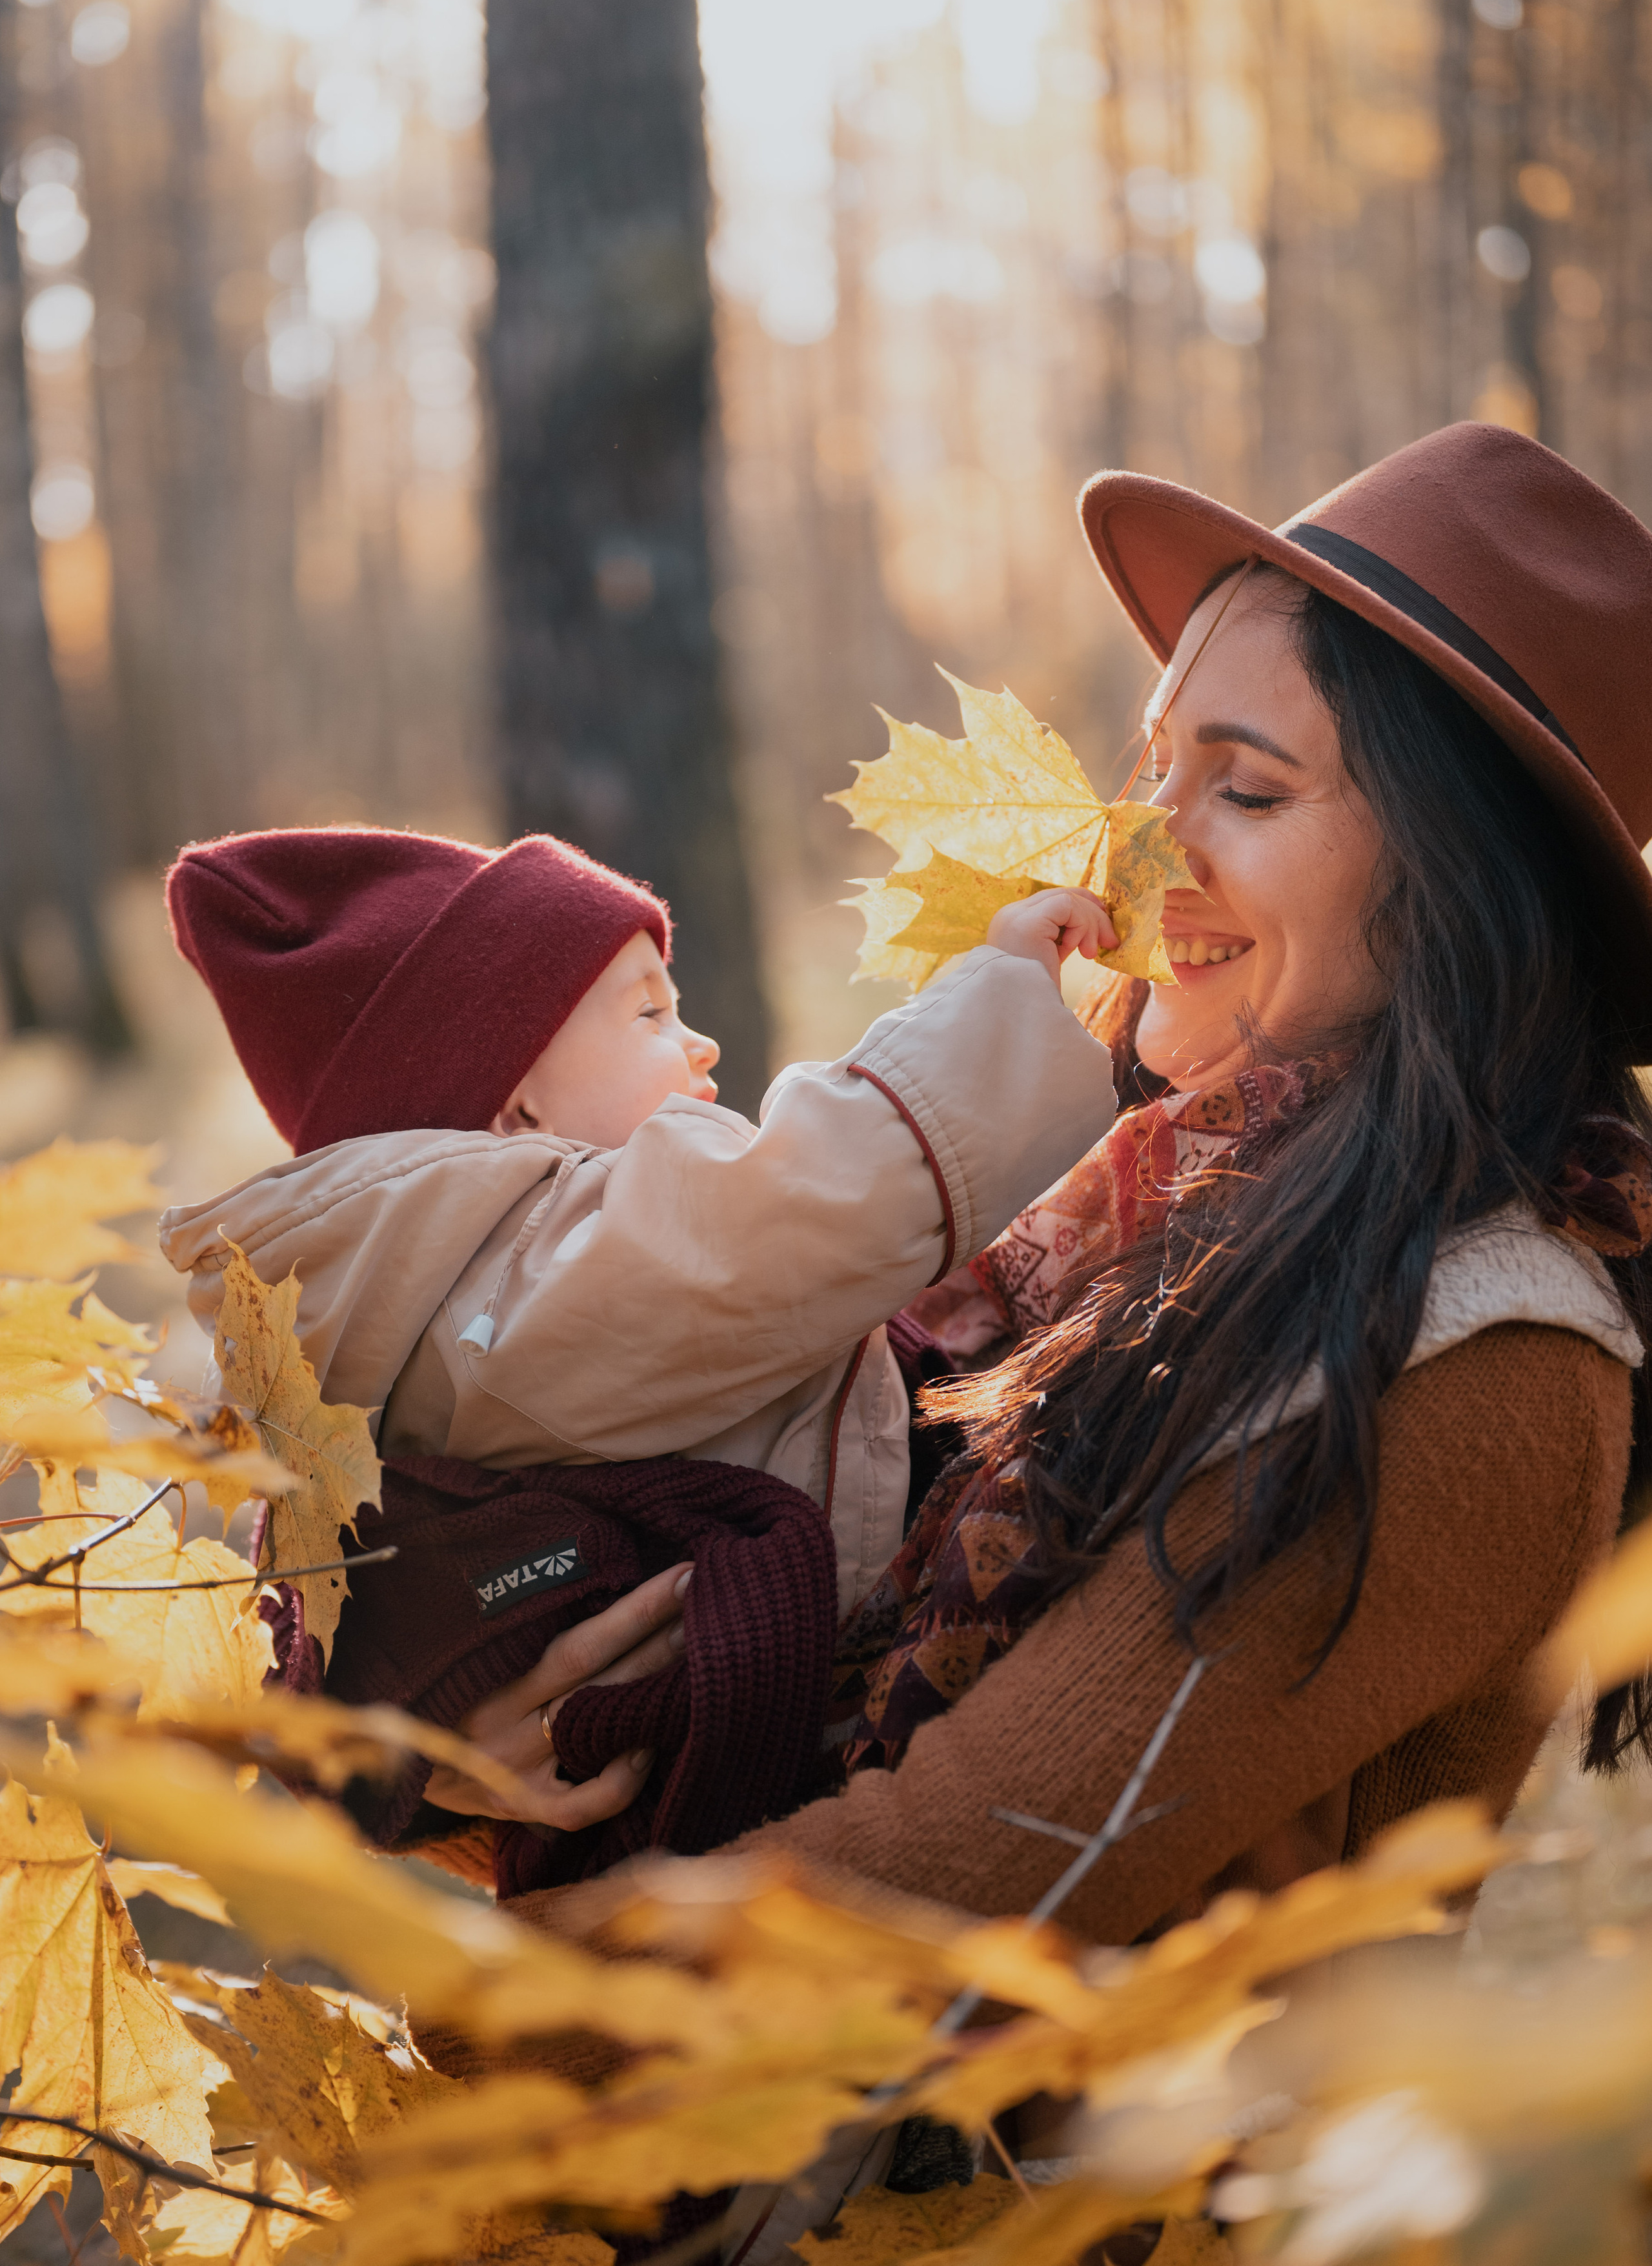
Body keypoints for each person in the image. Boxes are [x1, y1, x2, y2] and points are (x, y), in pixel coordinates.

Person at [438, 421, 1652, 1956]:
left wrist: (480, 1992)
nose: (1144, 846)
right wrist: (475, 1758)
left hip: (1029, 2186)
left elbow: (960, 1869)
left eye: (1249, 793)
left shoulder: (1486, 1353)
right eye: (1154, 765)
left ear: (1463, 889)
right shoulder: (1112, 1210)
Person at [157, 823, 1119, 1855]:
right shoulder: (519, 1284)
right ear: (514, 1100)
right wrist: (1003, 998)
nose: (700, 1043)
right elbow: (796, 1217)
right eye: (652, 1012)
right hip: (794, 1790)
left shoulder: (448, 1291)